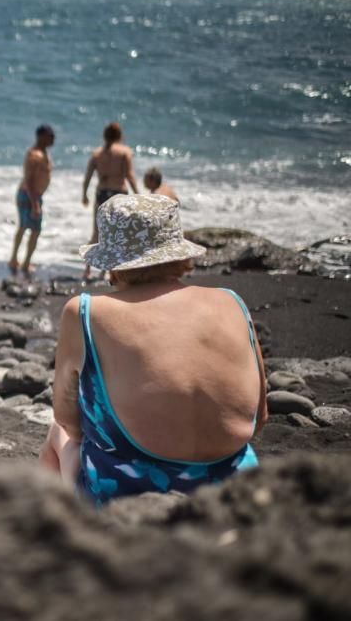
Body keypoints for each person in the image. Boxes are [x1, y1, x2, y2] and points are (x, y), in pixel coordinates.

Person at [39, 194, 267, 505]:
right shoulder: (232, 302)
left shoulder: (86, 312)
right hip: (236, 494)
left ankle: (62, 541)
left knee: (57, 434)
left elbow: (68, 420)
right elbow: (260, 417)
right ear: (181, 256)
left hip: (134, 501)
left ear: (112, 265)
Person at [82, 122, 139, 279]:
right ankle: (107, 271)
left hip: (101, 193)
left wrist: (84, 194)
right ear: (120, 136)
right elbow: (130, 175)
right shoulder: (124, 152)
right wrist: (138, 194)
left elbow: (87, 177)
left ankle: (87, 270)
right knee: (117, 233)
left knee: (97, 232)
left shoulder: (97, 154)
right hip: (118, 194)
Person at [8, 124, 54, 276]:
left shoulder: (43, 153)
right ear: (40, 136)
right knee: (32, 229)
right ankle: (19, 261)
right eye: (49, 135)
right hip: (29, 195)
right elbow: (29, 181)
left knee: (28, 228)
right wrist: (35, 204)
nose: (52, 138)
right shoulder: (34, 155)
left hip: (33, 195)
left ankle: (20, 260)